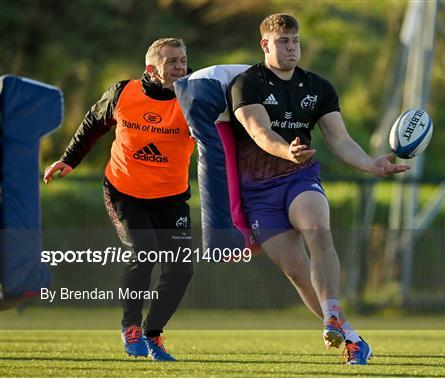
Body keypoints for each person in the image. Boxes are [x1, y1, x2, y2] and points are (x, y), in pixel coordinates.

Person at [229, 14, 409, 365]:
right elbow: (258, 132)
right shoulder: (246, 83)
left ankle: (330, 313)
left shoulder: (318, 87)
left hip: (299, 178)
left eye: (295, 41)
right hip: (258, 192)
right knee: (296, 270)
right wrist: (286, 149)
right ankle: (353, 337)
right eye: (283, 41)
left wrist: (372, 164)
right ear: (265, 44)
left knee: (318, 230)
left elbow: (339, 139)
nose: (292, 47)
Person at [43, 38, 195, 362]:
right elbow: (93, 123)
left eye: (183, 60)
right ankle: (131, 327)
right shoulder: (123, 93)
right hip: (125, 192)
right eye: (172, 62)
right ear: (151, 69)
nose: (181, 67)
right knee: (145, 251)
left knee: (181, 269)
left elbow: (222, 133)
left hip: (171, 198)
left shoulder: (196, 96)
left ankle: (153, 333)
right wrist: (69, 159)